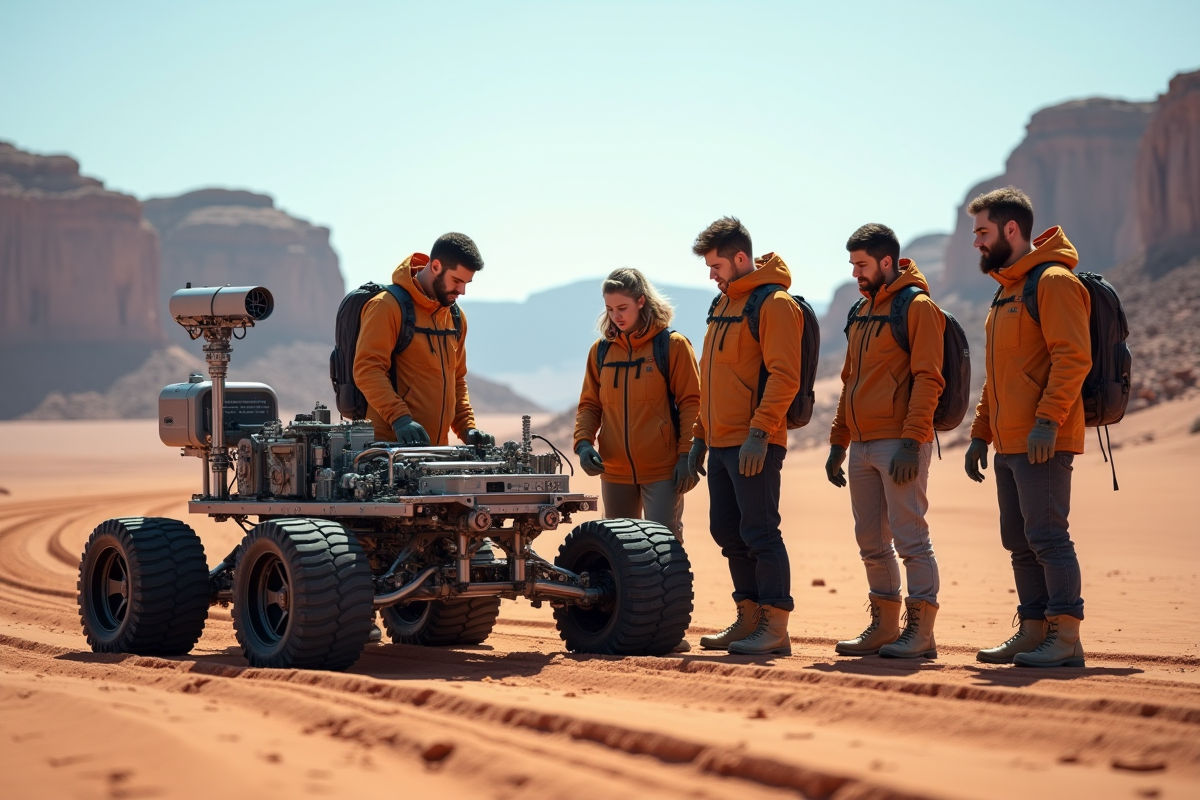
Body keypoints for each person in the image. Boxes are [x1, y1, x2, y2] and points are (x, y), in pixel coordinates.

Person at [964, 187, 1091, 668]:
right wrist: (981, 433)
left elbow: (1073, 358)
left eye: (983, 231)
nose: (976, 241)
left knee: (1048, 537)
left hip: (1044, 440)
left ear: (1011, 230)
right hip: (1009, 442)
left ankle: (1065, 636)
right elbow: (998, 376)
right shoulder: (1006, 291)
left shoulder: (1053, 282)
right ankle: (1034, 629)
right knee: (1019, 543)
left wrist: (1047, 420)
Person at [826, 224, 945, 659]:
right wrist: (838, 442)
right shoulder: (860, 311)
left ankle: (921, 633)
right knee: (871, 544)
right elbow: (849, 381)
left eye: (861, 264)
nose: (855, 272)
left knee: (911, 540)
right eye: (852, 264)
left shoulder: (917, 307)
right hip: (860, 446)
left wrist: (913, 442)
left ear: (886, 262)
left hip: (899, 444)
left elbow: (928, 378)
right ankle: (884, 627)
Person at [686, 217, 802, 656]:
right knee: (727, 532)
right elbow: (711, 379)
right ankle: (749, 618)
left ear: (739, 258)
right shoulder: (721, 306)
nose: (711, 276)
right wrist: (700, 437)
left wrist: (760, 432)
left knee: (760, 532)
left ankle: (775, 625)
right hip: (720, 444)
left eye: (716, 266)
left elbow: (785, 376)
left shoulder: (773, 303)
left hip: (755, 444)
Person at [574, 268, 702, 541]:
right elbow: (590, 405)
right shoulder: (601, 351)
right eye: (610, 309)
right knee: (617, 549)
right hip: (614, 471)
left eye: (623, 308)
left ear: (641, 301)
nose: (616, 316)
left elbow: (692, 403)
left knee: (664, 547)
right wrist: (583, 444)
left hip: (662, 471)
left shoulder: (672, 345)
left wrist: (686, 455)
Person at [352, 232, 494, 448]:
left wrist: (467, 427)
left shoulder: (455, 317)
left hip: (436, 453)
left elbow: (457, 379)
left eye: (466, 283)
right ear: (436, 266)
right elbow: (368, 369)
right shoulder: (387, 306)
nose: (462, 291)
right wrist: (400, 419)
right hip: (390, 451)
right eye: (457, 281)